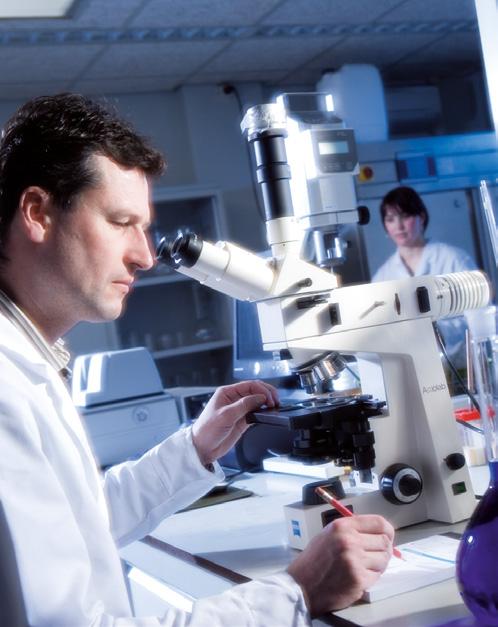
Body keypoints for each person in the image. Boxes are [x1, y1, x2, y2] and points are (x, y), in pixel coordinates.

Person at [0, 93, 394, 626]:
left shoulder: (27, 359)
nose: (144, 256)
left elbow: (80, 523)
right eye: (120, 221)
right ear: (38, 213)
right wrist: (296, 592)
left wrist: (195, 448)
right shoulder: (6, 391)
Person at [372, 185, 477, 366]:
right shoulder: (382, 276)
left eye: (405, 216)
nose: (399, 226)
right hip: (411, 368)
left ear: (421, 217)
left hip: (462, 366)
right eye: (390, 219)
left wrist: (438, 331)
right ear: (385, 227)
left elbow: (479, 315)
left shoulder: (453, 259)